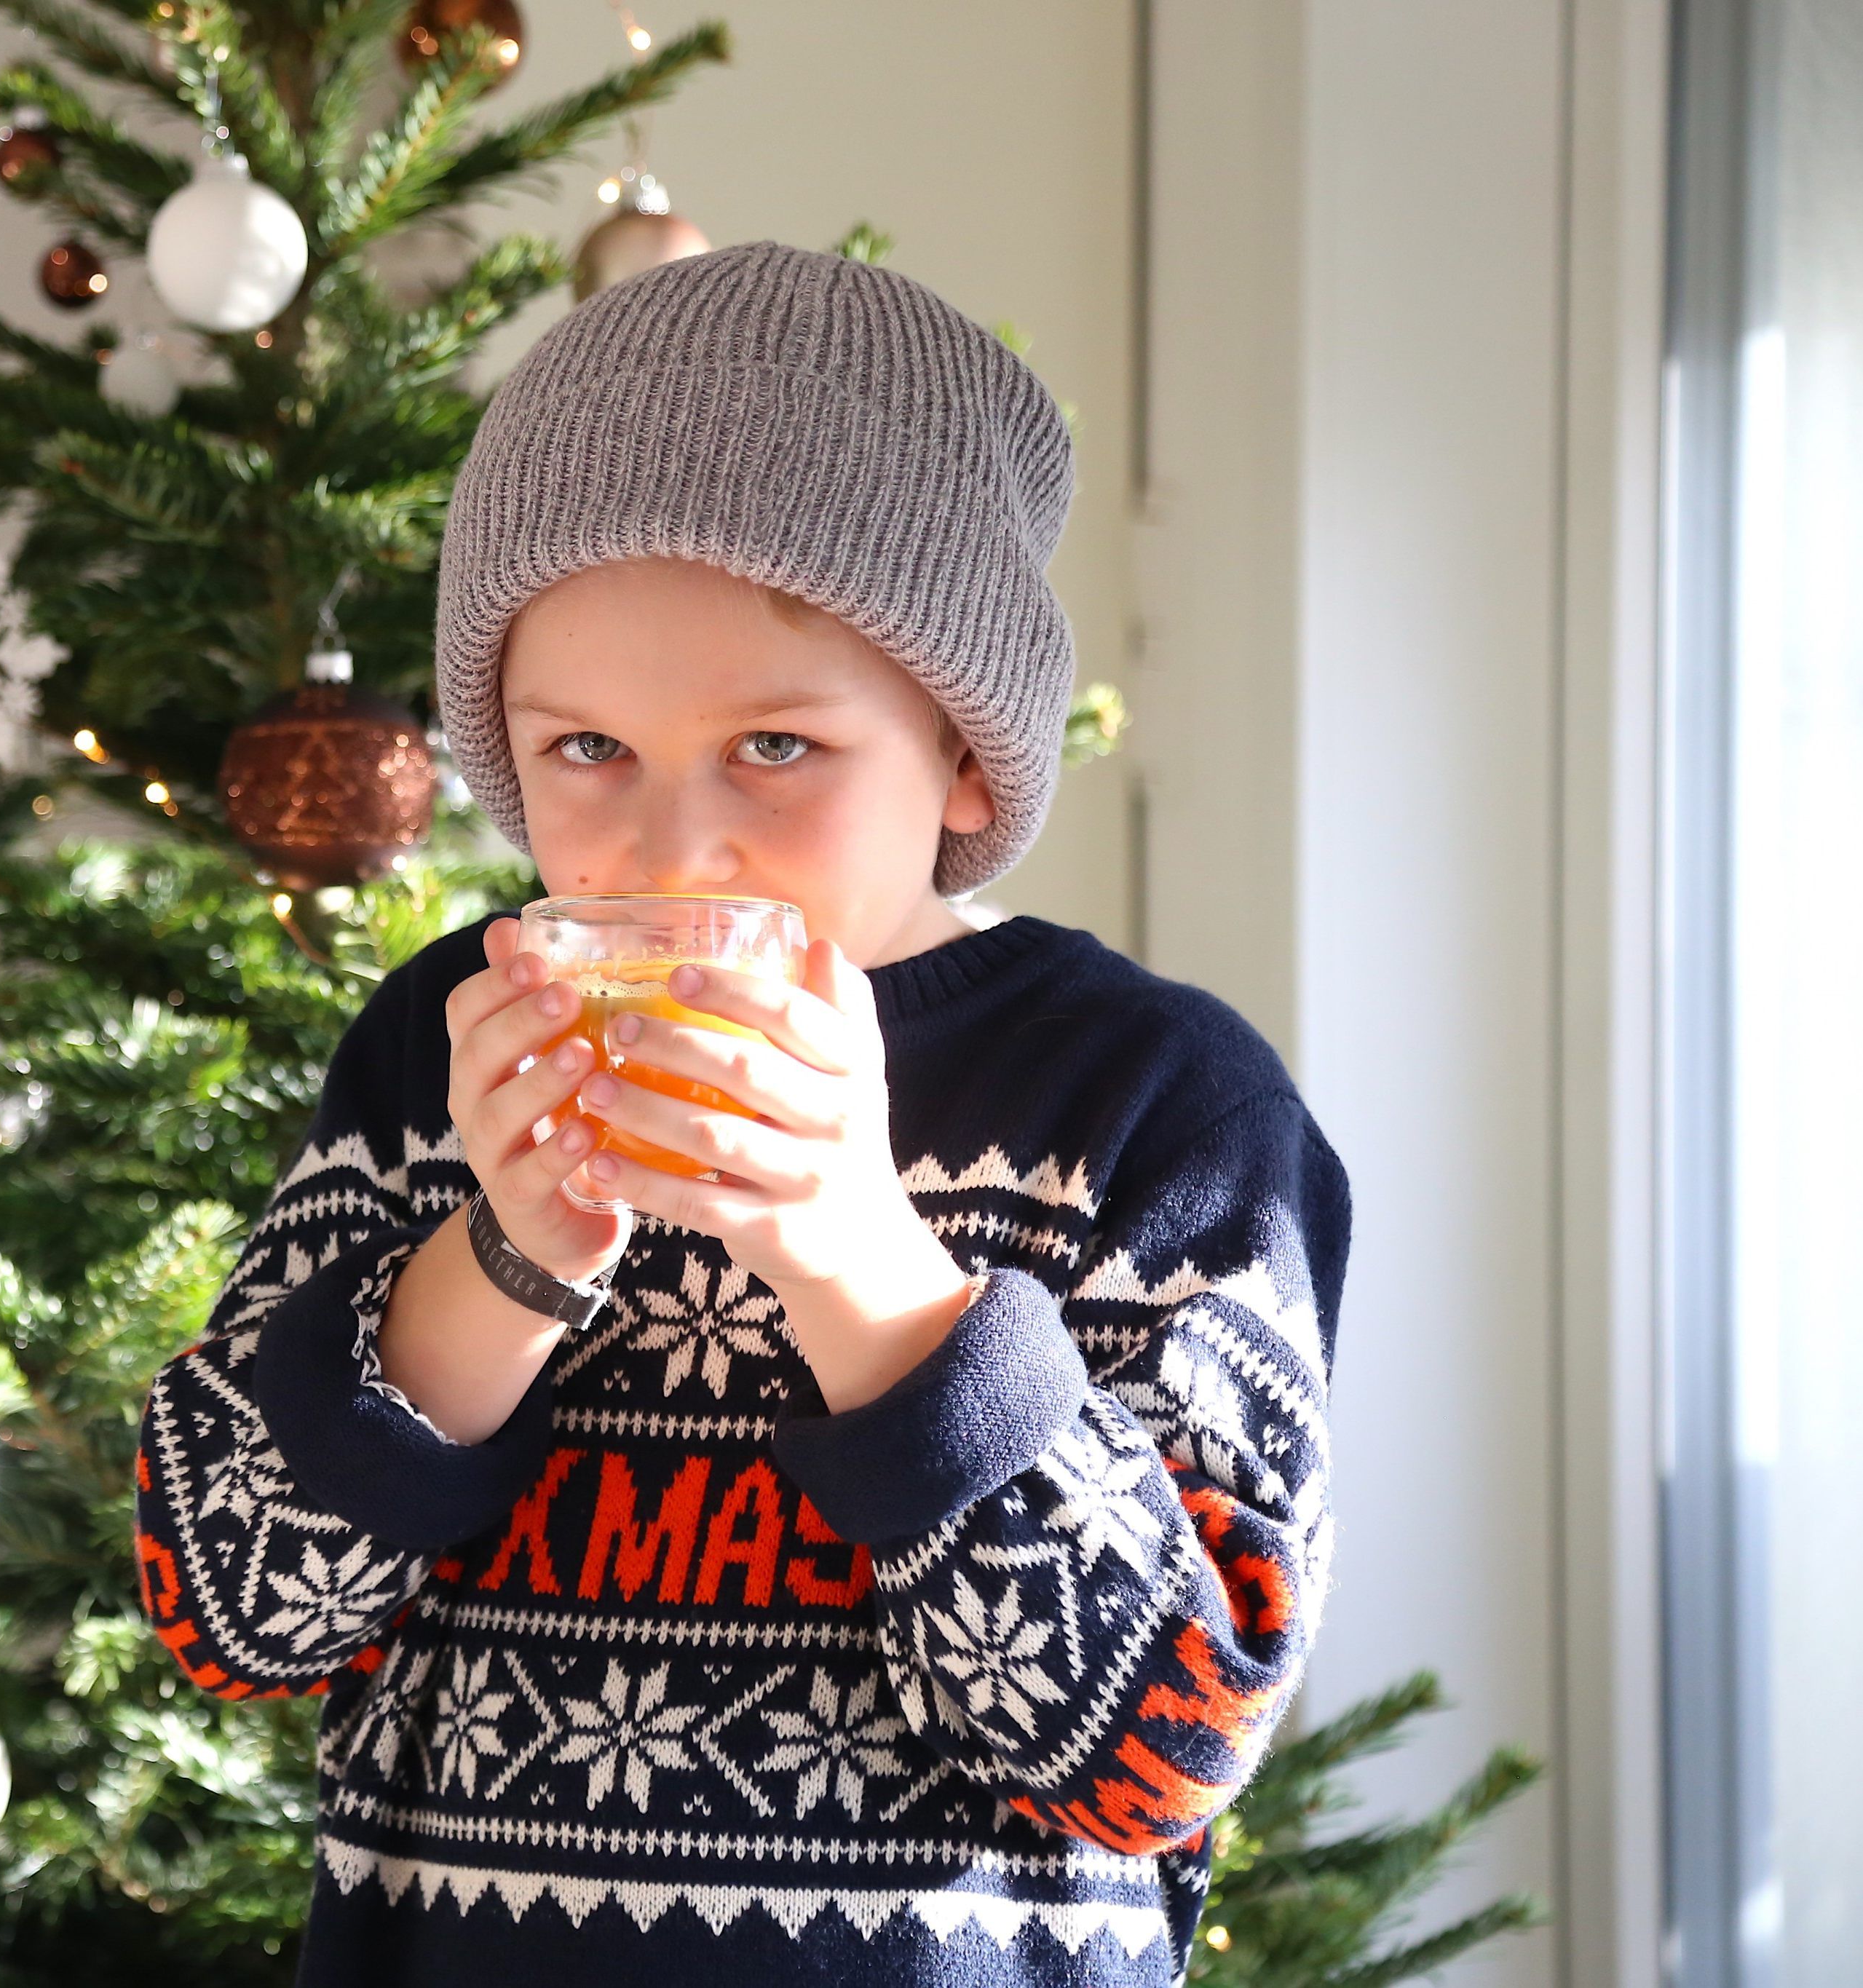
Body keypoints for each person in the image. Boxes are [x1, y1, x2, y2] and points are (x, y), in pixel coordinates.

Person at [135, 239, 1349, 1987]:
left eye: (775, 748)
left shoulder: (1160, 1104)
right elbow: (232, 1605)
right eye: (586, 752)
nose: (668, 853)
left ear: (964, 757)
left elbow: (1155, 1741)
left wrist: (860, 1261)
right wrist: (497, 1264)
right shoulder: (441, 1055)